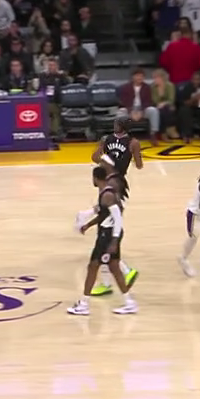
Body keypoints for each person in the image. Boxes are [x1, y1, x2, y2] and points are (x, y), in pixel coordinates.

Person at [69, 166, 137, 316]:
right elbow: (104, 215)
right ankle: (129, 303)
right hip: (108, 234)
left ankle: (84, 304)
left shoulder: (107, 195)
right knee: (114, 268)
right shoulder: (105, 193)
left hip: (108, 236)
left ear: (95, 178)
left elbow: (118, 218)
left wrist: (114, 241)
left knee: (93, 266)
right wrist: (88, 225)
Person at [89, 117, 141, 296]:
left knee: (106, 230)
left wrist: (102, 148)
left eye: (116, 123)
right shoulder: (133, 143)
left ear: (122, 126)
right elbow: (139, 165)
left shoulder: (107, 139)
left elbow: (95, 158)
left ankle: (124, 272)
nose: (113, 125)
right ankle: (107, 282)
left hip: (112, 183)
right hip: (118, 181)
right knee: (105, 228)